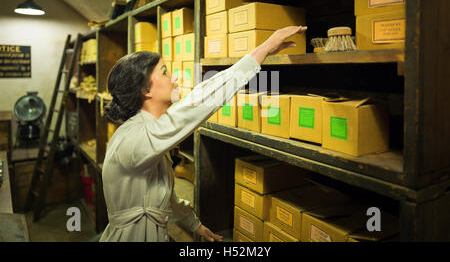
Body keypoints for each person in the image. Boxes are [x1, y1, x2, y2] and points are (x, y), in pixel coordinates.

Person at [99, 25, 307, 242]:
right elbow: (200, 101)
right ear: (145, 90)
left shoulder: (151, 136)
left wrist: (195, 225)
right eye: (164, 72)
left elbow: (162, 194)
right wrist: (263, 49)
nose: (174, 77)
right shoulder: (134, 138)